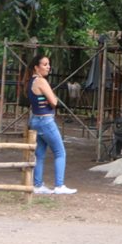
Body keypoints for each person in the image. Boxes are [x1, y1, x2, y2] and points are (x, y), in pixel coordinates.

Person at [27, 53, 76, 195]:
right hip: (46, 121)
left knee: (40, 154)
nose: (48, 67)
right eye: (45, 64)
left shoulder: (31, 81)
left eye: (48, 64)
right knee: (60, 152)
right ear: (36, 67)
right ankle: (59, 186)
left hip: (35, 120)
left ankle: (38, 185)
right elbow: (54, 102)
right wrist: (53, 96)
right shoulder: (41, 81)